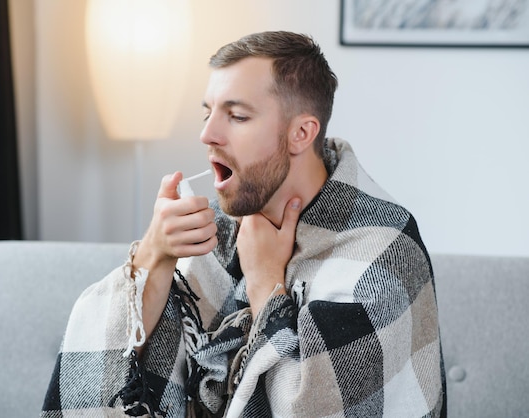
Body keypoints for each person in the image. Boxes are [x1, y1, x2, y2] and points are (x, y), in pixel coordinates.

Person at [41, 31, 446, 417]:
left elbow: (316, 409)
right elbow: (114, 383)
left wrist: (267, 284)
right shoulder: (218, 230)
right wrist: (154, 254)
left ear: (301, 133)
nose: (207, 134)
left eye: (236, 116)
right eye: (208, 113)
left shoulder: (384, 251)